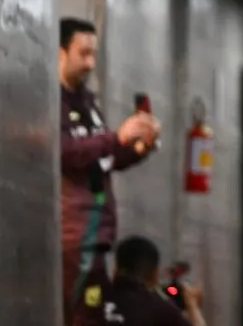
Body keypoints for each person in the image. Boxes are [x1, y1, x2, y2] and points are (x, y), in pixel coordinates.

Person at [59, 17, 161, 326]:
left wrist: (137, 146)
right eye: (83, 53)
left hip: (97, 233)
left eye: (94, 54)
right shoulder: (50, 100)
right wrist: (116, 137)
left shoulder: (87, 101)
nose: (91, 63)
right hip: (73, 235)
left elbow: (104, 157)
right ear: (61, 52)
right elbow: (64, 152)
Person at [107, 235, 207, 325]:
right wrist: (192, 306)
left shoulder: (98, 302)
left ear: (116, 268)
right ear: (154, 274)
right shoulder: (159, 309)